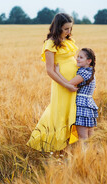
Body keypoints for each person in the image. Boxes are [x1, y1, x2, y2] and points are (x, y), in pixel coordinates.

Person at [26, 13, 80, 153]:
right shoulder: (50, 44)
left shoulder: (68, 41)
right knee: (60, 111)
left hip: (74, 83)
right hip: (63, 85)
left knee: (72, 111)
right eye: (66, 29)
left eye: (70, 28)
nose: (69, 32)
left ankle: (70, 143)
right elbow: (50, 70)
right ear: (58, 27)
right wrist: (67, 84)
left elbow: (72, 60)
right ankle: (55, 145)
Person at [55, 48, 97, 140]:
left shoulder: (84, 73)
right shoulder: (90, 71)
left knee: (83, 137)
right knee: (90, 137)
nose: (77, 59)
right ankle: (91, 154)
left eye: (81, 57)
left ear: (89, 61)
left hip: (81, 105)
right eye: (77, 56)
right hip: (89, 104)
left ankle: (84, 154)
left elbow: (69, 84)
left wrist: (57, 73)